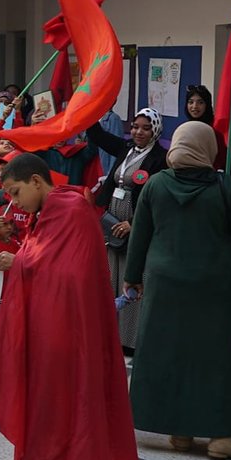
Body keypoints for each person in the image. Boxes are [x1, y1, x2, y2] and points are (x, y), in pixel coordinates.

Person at [0, 153, 138, 460]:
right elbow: (44, 265)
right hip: (43, 340)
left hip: (72, 344)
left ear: (37, 181)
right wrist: (21, 259)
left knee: (73, 423)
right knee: (34, 419)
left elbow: (68, 274)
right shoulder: (45, 214)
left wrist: (17, 261)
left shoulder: (71, 210)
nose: (14, 203)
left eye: (16, 193)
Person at [121, 122, 231, 459]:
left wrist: (132, 277)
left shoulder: (156, 184)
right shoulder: (225, 186)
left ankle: (179, 432)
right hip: (212, 285)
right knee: (214, 358)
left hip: (164, 282)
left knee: (167, 353)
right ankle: (220, 437)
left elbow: (139, 234)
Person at [87, 108, 169, 352]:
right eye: (134, 126)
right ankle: (110, 335)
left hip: (137, 224)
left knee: (132, 278)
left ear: (155, 130)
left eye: (145, 128)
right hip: (113, 223)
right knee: (112, 276)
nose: (138, 132)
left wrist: (134, 223)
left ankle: (131, 340)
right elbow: (98, 136)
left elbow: (158, 197)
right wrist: (89, 108)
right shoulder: (126, 149)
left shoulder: (161, 158)